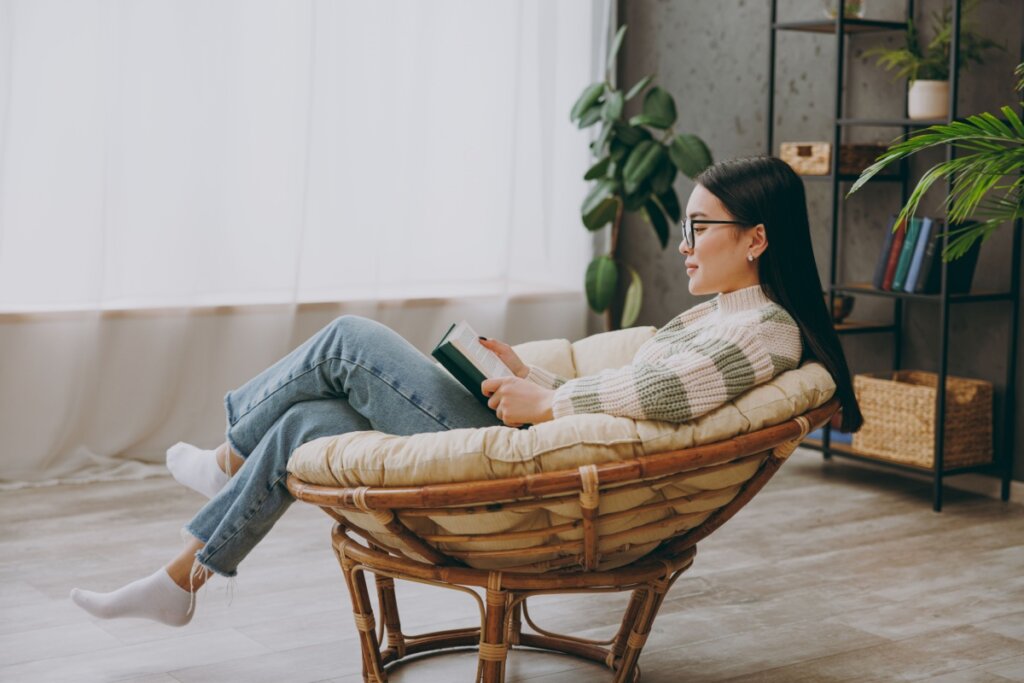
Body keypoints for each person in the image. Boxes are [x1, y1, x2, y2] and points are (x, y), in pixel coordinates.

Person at [69, 155, 862, 626]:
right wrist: (532, 376)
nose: (685, 244)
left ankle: (226, 454)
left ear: (756, 239)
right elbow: (640, 385)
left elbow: (663, 403)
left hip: (527, 461)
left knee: (347, 339)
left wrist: (546, 406)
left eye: (701, 228)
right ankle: (184, 577)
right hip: (537, 428)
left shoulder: (762, 330)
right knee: (312, 414)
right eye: (685, 226)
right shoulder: (725, 317)